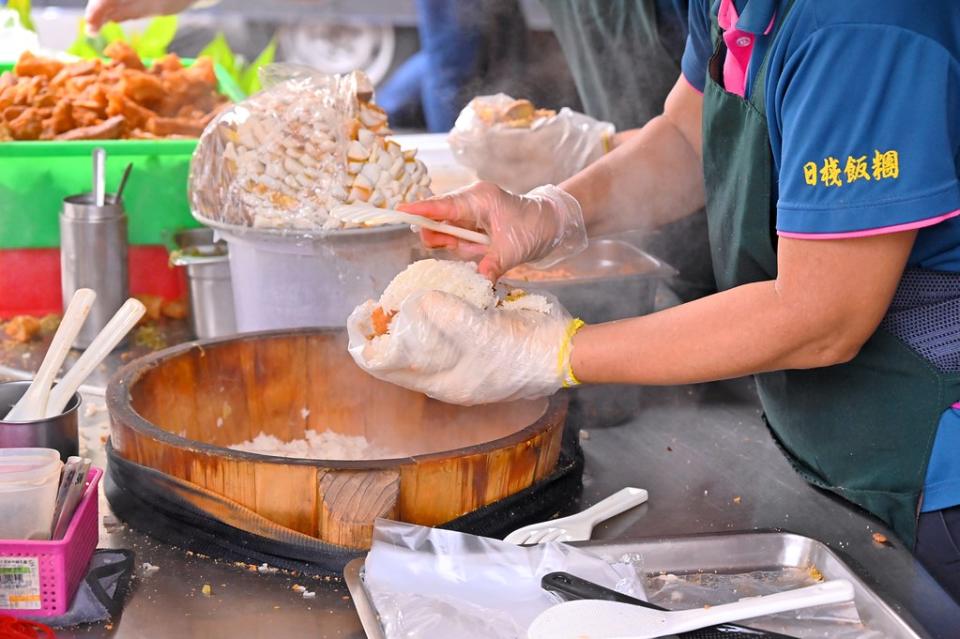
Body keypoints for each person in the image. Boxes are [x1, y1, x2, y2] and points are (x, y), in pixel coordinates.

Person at [351, 0, 960, 602]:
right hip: (823, 430)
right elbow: (685, 136)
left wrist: (554, 351)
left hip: (925, 463)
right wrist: (552, 213)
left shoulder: (862, 26)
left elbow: (822, 316)